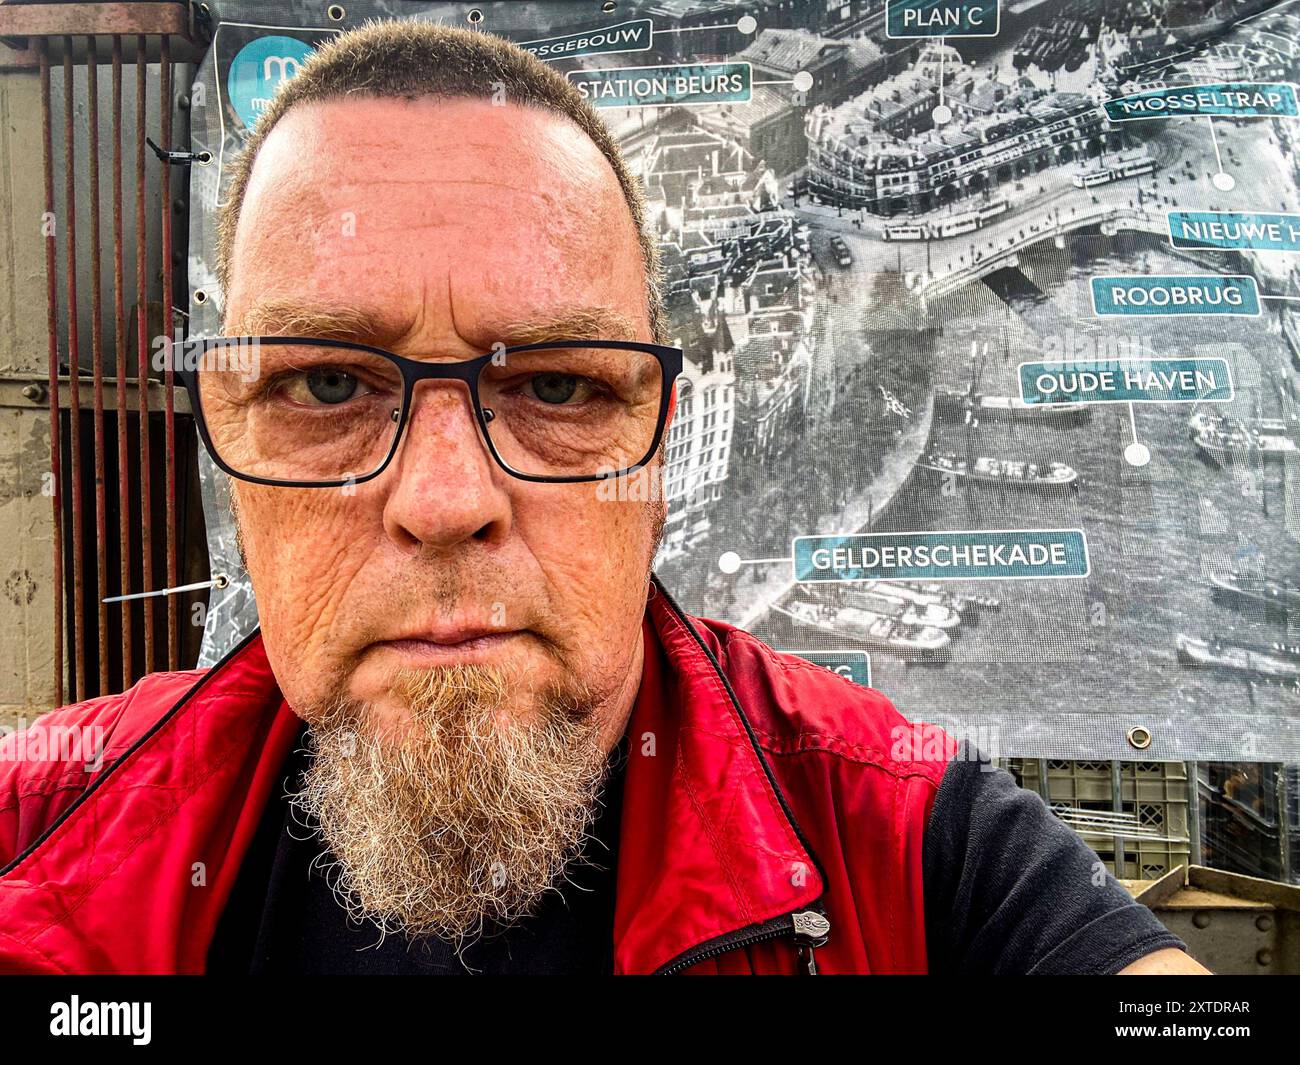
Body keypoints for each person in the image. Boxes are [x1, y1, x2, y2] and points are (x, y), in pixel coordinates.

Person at [0, 20, 1207, 975]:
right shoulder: (34, 828)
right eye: (327, 384)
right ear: (226, 434)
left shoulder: (912, 843)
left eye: (561, 387)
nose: (444, 499)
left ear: (657, 448)